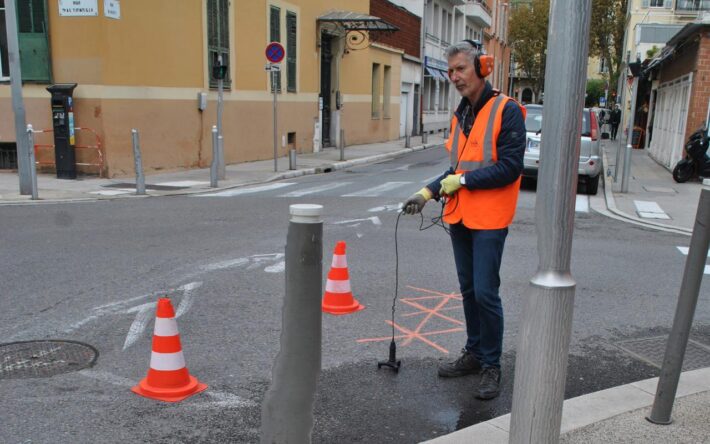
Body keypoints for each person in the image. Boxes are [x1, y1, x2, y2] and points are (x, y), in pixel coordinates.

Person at [402, 40, 526, 400]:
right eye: (450, 70)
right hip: (460, 217)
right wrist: (426, 193)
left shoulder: (507, 110)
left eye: (461, 69)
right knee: (469, 291)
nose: (454, 76)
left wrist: (464, 181)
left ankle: (492, 365)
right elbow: (456, 169)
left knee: (486, 293)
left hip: (489, 219)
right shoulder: (462, 114)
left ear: (483, 67)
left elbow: (510, 167)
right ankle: (474, 353)